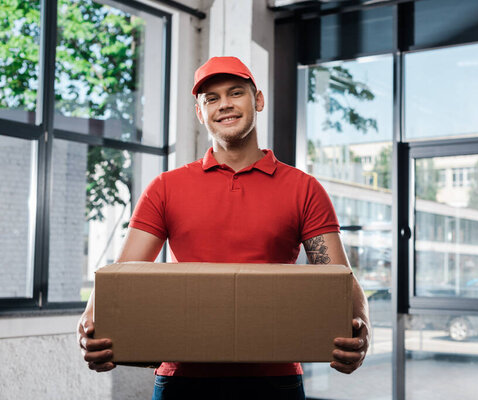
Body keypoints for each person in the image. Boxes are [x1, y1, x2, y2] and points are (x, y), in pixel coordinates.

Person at [77, 56, 371, 399]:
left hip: (273, 378)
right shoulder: (165, 187)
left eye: (235, 93)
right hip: (182, 377)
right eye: (211, 99)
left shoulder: (303, 188)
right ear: (200, 113)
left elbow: (339, 279)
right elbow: (122, 275)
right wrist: (88, 324)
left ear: (257, 100)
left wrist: (363, 329)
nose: (224, 105)